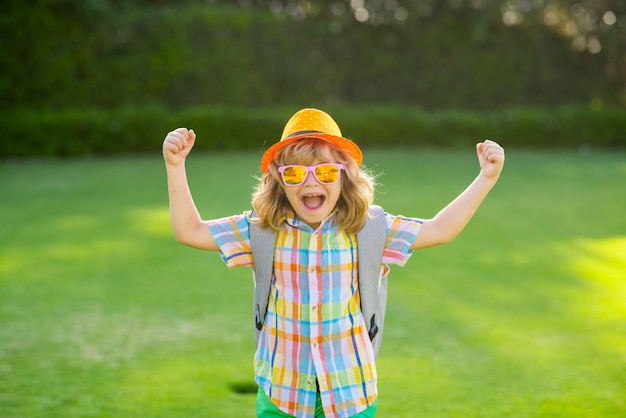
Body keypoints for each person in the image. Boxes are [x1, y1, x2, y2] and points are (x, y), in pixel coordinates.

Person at [162, 108, 505, 418]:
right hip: (282, 392)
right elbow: (189, 231)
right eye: (295, 173)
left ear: (345, 177)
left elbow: (440, 229)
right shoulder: (260, 229)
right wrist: (175, 166)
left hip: (350, 392)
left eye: (326, 171)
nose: (311, 181)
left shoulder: (370, 228)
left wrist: (486, 177)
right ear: (279, 181)